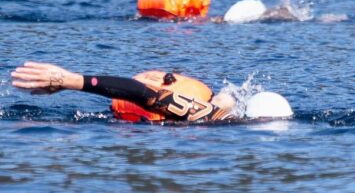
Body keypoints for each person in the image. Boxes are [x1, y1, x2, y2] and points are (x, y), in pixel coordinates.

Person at [10, 61, 292, 122]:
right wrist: (68, 79)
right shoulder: (211, 115)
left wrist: (68, 81)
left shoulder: (208, 116)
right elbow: (143, 92)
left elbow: (141, 95)